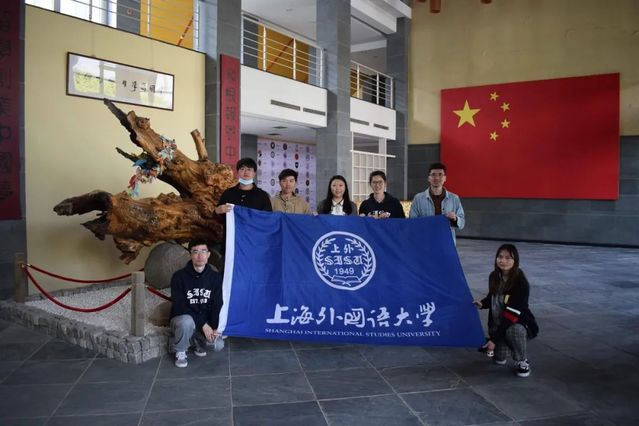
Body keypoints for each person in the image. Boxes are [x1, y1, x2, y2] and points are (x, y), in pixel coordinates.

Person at [473, 244, 538, 378]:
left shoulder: (520, 282)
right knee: (499, 358)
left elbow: (511, 315)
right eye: (500, 257)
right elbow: (492, 296)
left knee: (515, 330)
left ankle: (522, 360)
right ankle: (505, 345)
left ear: (515, 260)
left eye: (508, 258)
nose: (503, 261)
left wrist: (494, 340)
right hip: (498, 324)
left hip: (517, 323)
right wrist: (482, 304)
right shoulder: (494, 276)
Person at [169, 239, 224, 368]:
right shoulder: (178, 277)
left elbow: (217, 303)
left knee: (218, 345)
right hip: (182, 320)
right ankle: (181, 351)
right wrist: (203, 324)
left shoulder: (215, 277)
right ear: (190, 255)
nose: (200, 256)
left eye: (203, 251)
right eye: (195, 252)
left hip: (203, 323)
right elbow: (180, 307)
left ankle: (195, 342)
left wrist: (214, 327)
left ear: (208, 254)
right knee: (186, 321)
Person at [409, 162, 465, 241]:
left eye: (440, 174)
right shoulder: (418, 198)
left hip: (446, 241)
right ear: (428, 178)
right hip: (425, 241)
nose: (437, 178)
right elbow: (412, 222)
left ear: (445, 178)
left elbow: (462, 223)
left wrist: (455, 218)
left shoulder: (454, 198)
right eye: (433, 174)